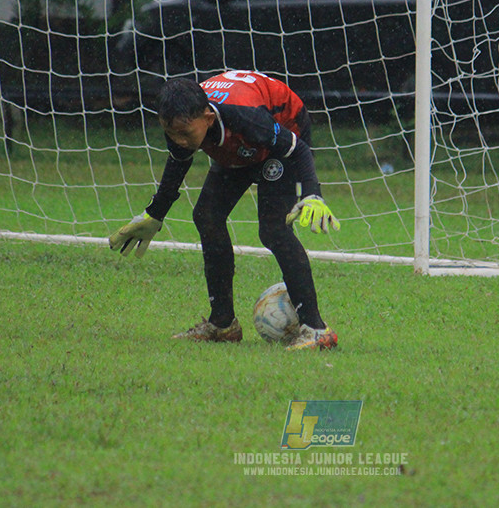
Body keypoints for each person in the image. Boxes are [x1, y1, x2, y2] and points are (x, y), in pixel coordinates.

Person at [109, 70, 340, 350]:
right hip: (241, 145)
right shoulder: (181, 122)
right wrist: (155, 214)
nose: (179, 140)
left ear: (208, 118)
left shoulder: (247, 118)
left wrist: (313, 195)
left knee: (274, 230)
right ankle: (222, 324)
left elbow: (298, 149)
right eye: (171, 134)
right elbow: (178, 163)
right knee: (206, 215)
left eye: (184, 134)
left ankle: (316, 329)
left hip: (283, 133)